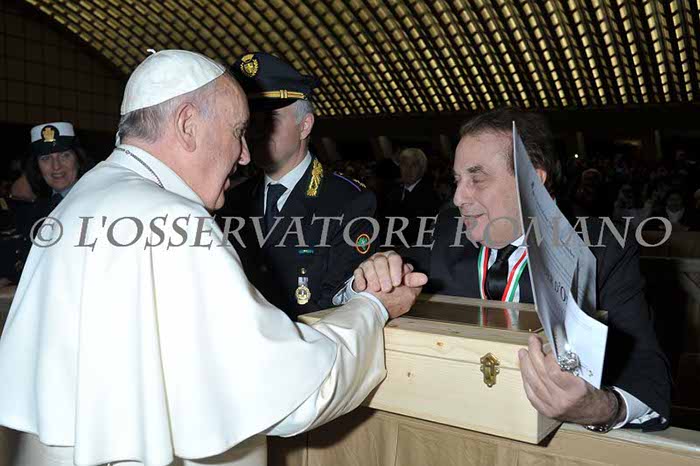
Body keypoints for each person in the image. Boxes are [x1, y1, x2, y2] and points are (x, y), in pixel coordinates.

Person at [0, 50, 426, 466]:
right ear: (188, 125)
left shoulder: (78, 202)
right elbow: (291, 392)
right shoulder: (175, 219)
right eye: (238, 131)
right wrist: (373, 308)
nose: (245, 154)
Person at [353, 108, 671, 433]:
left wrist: (597, 407)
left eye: (477, 179)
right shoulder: (447, 230)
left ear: (532, 182)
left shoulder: (600, 250)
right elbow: (380, 277)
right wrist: (374, 272)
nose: (459, 197)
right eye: (457, 180)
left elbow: (651, 380)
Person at [220, 52, 378, 319]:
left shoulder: (348, 202)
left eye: (270, 120)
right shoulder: (232, 200)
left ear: (305, 126)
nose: (256, 132)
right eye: (250, 122)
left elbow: (344, 303)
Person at [0, 122, 91, 283]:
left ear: (78, 159)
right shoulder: (35, 210)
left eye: (64, 155)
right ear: (37, 166)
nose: (56, 166)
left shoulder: (95, 204)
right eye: (46, 158)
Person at [383, 148, 440, 246]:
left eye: (414, 165)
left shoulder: (429, 196)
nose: (408, 169)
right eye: (404, 164)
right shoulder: (392, 193)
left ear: (422, 169)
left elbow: (417, 231)